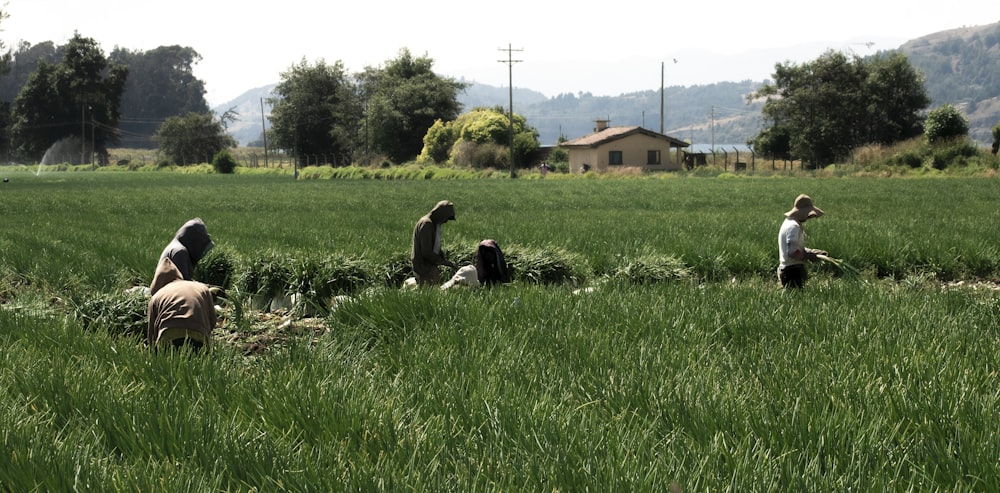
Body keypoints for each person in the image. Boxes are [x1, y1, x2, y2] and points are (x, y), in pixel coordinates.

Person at [147, 257, 217, 351]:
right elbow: (212, 319)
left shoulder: (157, 297)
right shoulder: (201, 287)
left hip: (169, 333)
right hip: (198, 331)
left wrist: (153, 352)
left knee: (171, 363)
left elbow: (152, 332)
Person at [777, 194, 827, 288]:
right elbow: (792, 252)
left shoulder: (790, 223)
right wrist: (807, 256)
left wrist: (812, 252)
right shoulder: (793, 227)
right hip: (792, 271)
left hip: (791, 270)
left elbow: (794, 247)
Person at [411, 200, 458, 286]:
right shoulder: (427, 224)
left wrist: (443, 258)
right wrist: (444, 263)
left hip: (428, 266)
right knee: (427, 294)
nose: (446, 221)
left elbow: (434, 247)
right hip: (424, 268)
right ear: (440, 214)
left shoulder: (434, 224)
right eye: (446, 218)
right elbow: (426, 252)